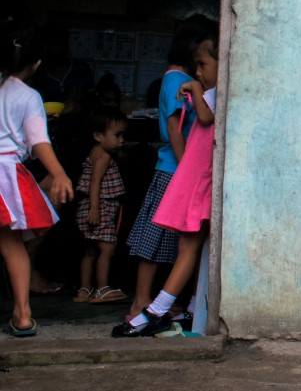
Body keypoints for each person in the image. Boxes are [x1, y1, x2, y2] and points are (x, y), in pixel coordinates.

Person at [113, 31, 219, 337]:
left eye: (202, 64)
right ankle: (185, 310)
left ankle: (156, 311)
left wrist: (197, 89)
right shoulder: (210, 90)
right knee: (194, 248)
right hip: (196, 181)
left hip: (201, 183)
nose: (197, 71)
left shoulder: (214, 92)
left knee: (190, 247)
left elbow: (205, 118)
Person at [0, 19, 74, 337]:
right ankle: (23, 314)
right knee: (12, 245)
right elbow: (38, 142)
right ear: (37, 63)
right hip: (6, 175)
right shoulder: (28, 97)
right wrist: (58, 172)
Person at [75, 106, 129, 304]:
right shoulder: (104, 157)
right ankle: (103, 289)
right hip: (101, 208)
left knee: (90, 252)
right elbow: (95, 182)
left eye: (123, 135)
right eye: (117, 135)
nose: (121, 140)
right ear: (98, 135)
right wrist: (95, 208)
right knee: (107, 250)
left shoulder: (95, 152)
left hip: (88, 207)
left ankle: (84, 290)